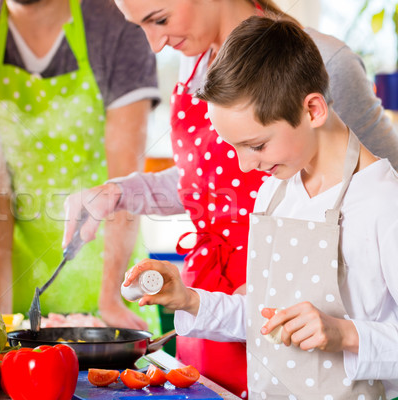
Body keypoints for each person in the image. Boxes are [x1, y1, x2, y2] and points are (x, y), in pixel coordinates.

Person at [63, 0, 398, 396]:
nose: (243, 167)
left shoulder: (378, 201)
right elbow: (259, 312)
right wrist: (188, 299)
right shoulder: (276, 190)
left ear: (314, 109)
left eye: (160, 19)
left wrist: (345, 333)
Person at [0, 0, 161, 330]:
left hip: (113, 277)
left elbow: (123, 180)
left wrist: (110, 299)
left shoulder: (119, 23)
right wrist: (1, 318)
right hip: (13, 283)